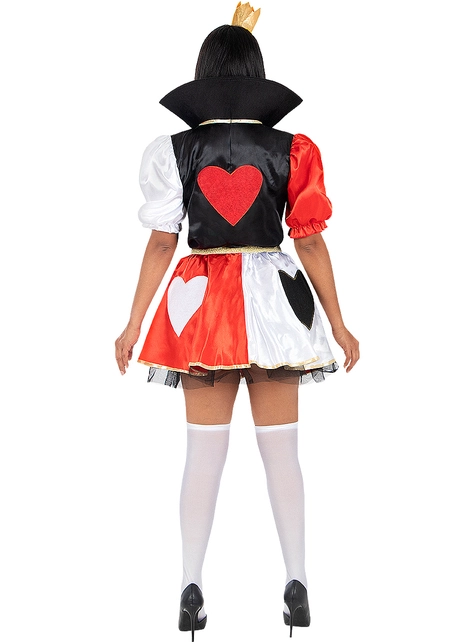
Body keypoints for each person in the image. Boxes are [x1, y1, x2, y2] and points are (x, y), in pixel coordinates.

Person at [115, 3, 359, 638]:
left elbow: (162, 243)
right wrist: (339, 324)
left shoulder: (176, 152)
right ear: (257, 75)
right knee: (282, 452)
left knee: (203, 453)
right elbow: (310, 239)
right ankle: (297, 583)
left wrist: (133, 325)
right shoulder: (292, 150)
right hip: (276, 308)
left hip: (201, 309)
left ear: (203, 76)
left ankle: (190, 586)